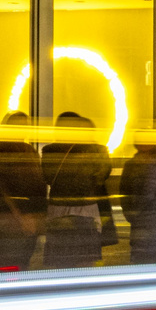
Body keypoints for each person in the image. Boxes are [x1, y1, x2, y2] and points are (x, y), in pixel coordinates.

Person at [41, 113, 111, 268]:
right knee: (85, 257)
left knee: (59, 257)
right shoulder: (96, 150)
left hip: (58, 207)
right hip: (85, 207)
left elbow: (47, 177)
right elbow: (102, 175)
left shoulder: (49, 150)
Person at [0, 112, 46, 270]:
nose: (23, 129)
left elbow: (38, 184)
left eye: (25, 125)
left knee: (19, 259)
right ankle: (7, 290)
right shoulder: (4, 151)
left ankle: (10, 289)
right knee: (12, 259)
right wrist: (20, 216)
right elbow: (2, 186)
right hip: (13, 216)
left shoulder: (29, 151)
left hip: (27, 214)